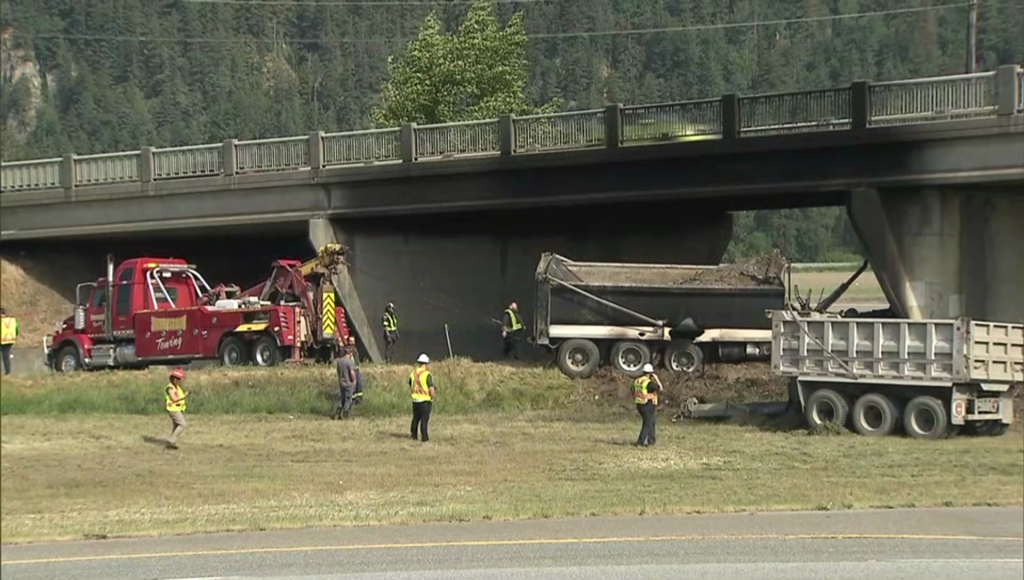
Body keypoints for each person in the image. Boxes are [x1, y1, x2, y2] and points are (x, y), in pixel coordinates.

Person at [632, 363, 663, 447]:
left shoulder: (637, 381)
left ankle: (651, 440)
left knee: (651, 422)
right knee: (647, 423)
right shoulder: (649, 383)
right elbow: (660, 388)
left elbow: (633, 391)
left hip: (639, 404)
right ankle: (640, 442)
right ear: (650, 373)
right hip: (647, 405)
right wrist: (656, 379)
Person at [409, 353, 436, 442]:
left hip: (415, 400)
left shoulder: (413, 373)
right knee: (424, 419)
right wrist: (432, 397)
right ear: (426, 363)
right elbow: (431, 388)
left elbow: (410, 384)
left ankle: (414, 435)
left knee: (416, 418)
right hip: (425, 400)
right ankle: (424, 437)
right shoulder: (427, 374)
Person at [165, 368, 190, 450]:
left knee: (176, 426)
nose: (181, 381)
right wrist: (184, 396)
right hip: (173, 409)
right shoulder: (170, 388)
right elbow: (174, 399)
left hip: (177, 409)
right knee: (182, 424)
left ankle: (171, 443)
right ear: (175, 379)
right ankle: (171, 441)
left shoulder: (177, 387)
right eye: (179, 380)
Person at [334, 347, 357, 419]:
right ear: (350, 353)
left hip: (341, 383)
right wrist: (354, 381)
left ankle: (337, 412)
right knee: (348, 399)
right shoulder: (349, 362)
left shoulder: (339, 361)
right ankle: (345, 414)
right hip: (348, 383)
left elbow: (338, 371)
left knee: (342, 399)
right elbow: (352, 372)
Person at [346, 336, 364, 406]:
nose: (352, 342)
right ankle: (352, 400)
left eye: (353, 341)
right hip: (352, 370)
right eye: (350, 341)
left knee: (359, 384)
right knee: (353, 385)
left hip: (357, 369)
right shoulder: (348, 350)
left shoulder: (355, 349)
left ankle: (359, 399)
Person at [0, 308, 18, 376]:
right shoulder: (12, 320)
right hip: (10, 340)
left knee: (4, 356)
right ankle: (8, 371)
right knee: (6, 357)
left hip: (2, 340)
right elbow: (16, 330)